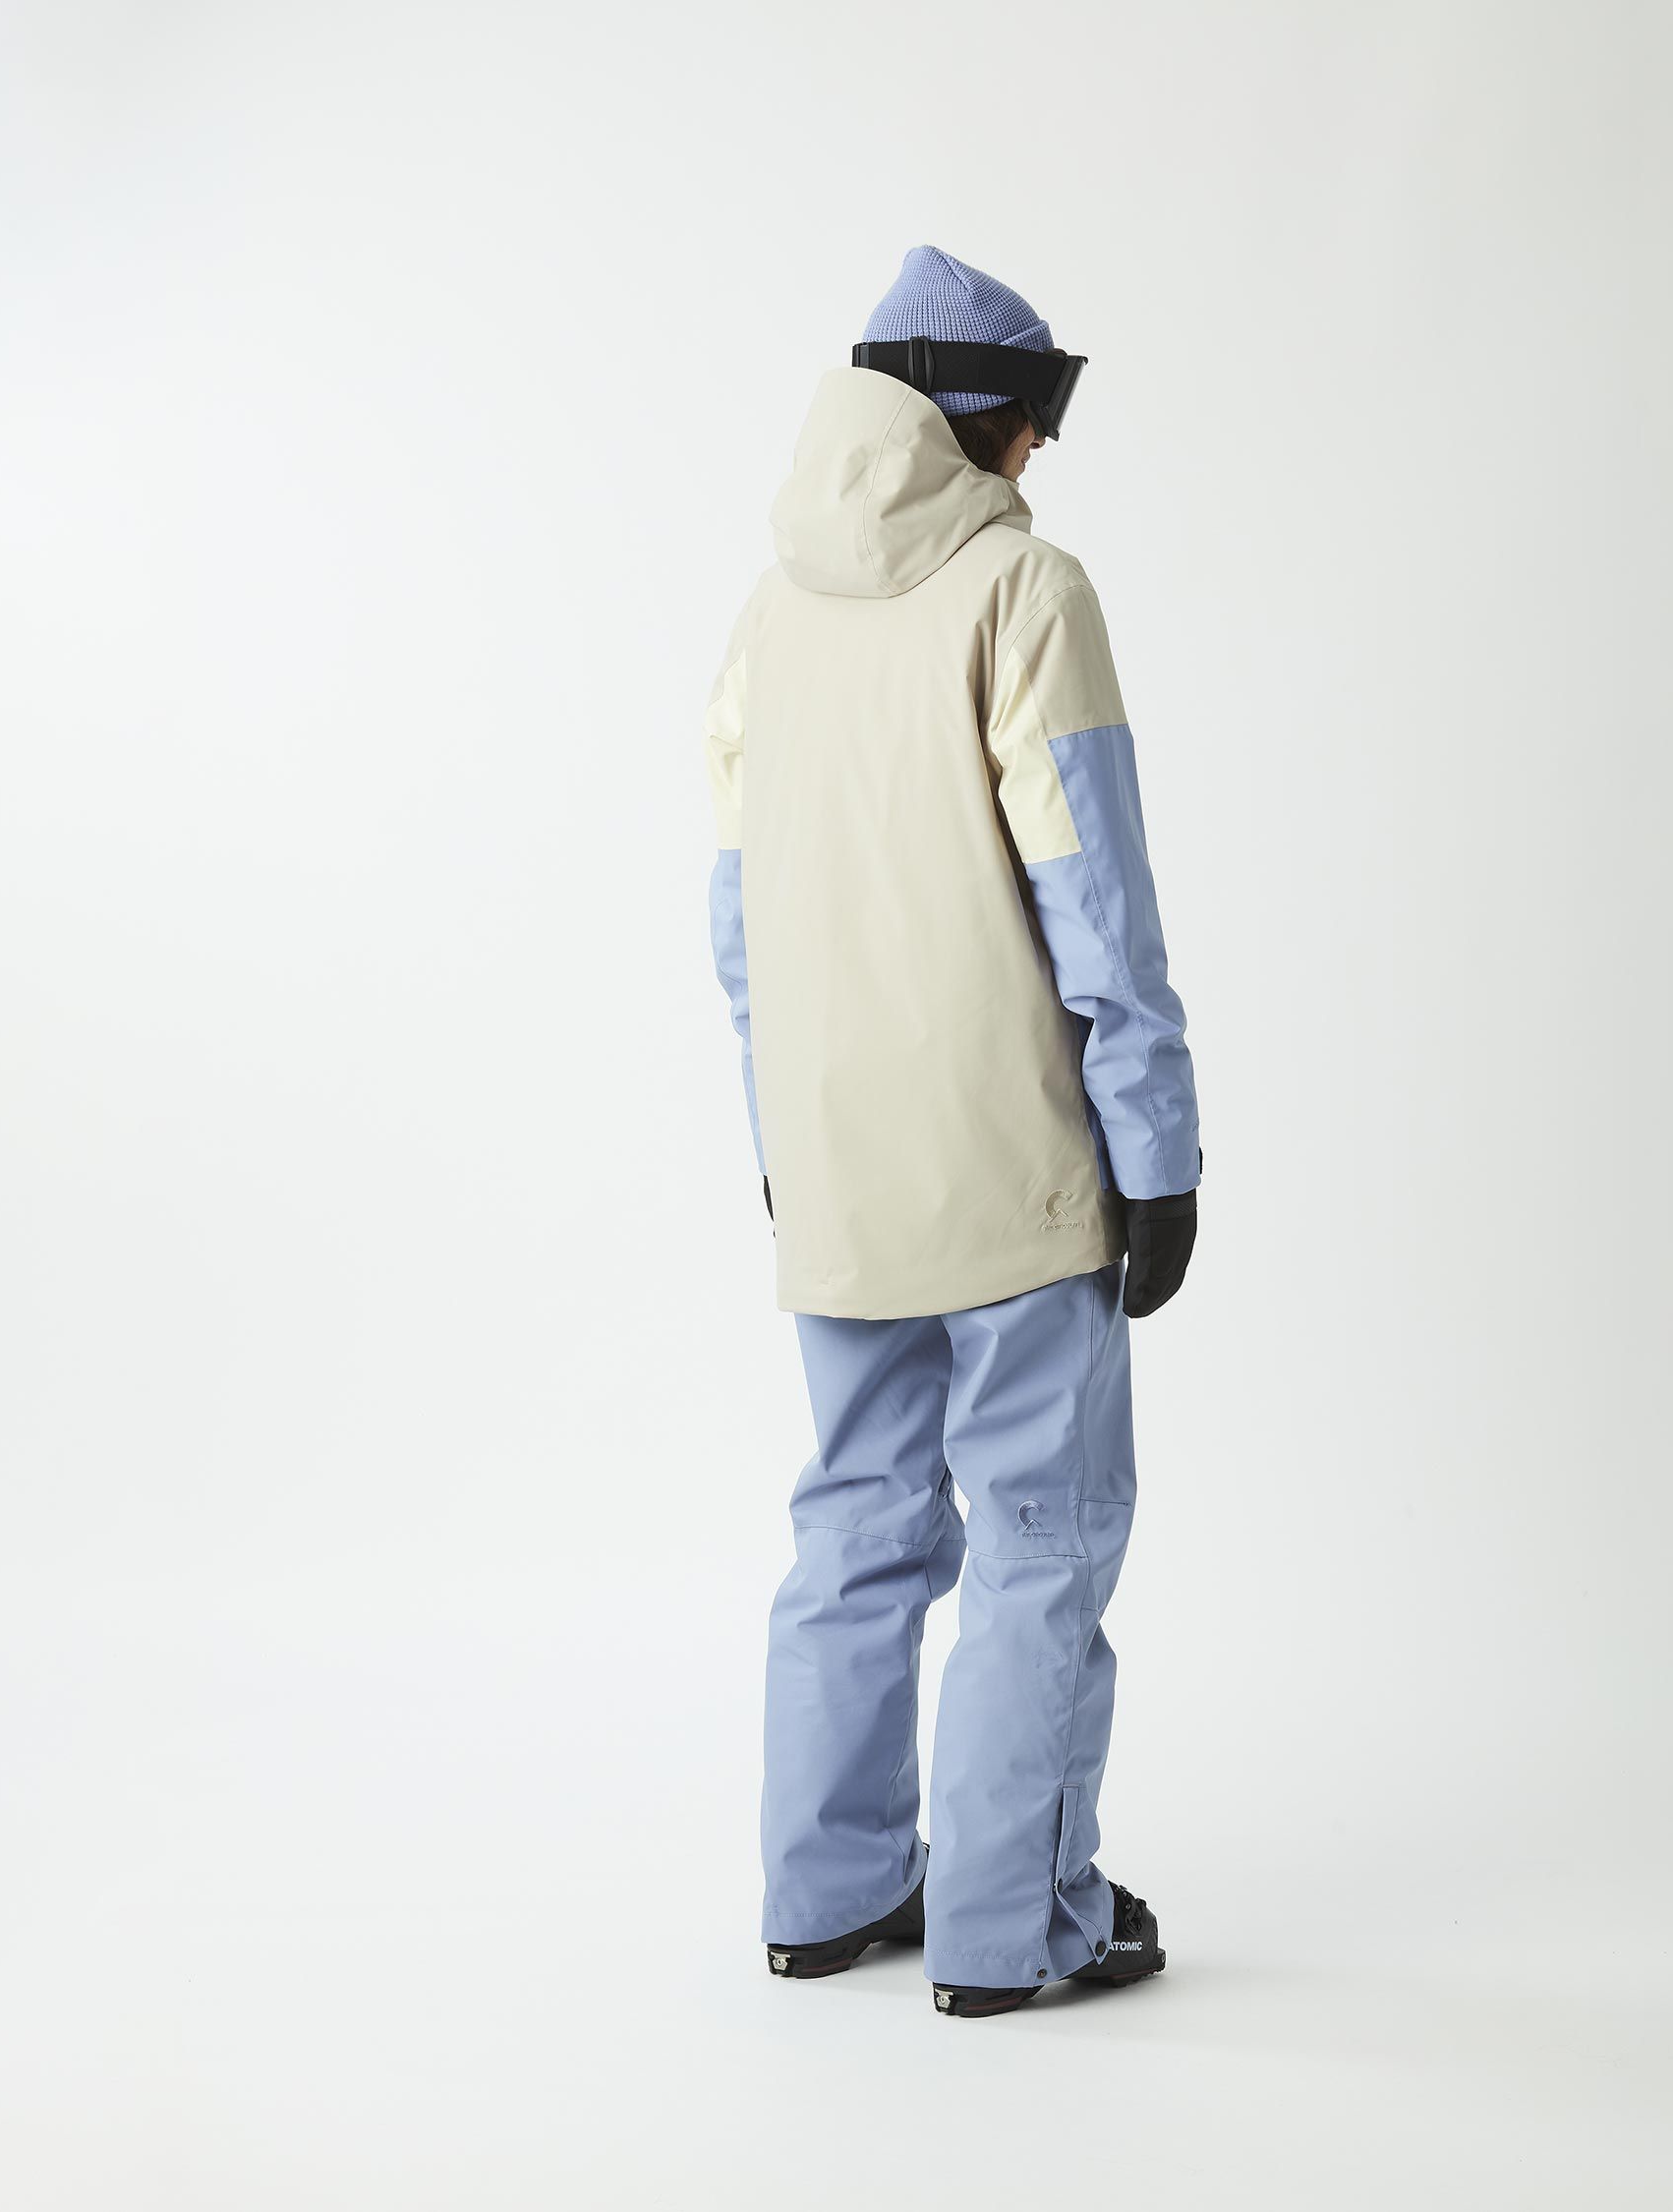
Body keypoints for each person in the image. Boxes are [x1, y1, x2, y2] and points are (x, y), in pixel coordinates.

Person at [703, 246, 1201, 2018]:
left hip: (835, 1165)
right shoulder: (1026, 591)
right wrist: (1157, 1153)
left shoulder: (769, 614)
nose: (1039, 452)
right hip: (1012, 1169)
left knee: (855, 1519)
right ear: (978, 415)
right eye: (1034, 415)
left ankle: (826, 1890)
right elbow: (1096, 902)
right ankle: (1016, 1925)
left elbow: (738, 921)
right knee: (1039, 1536)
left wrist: (779, 1134)